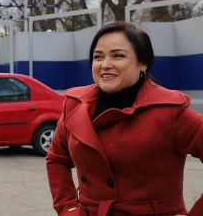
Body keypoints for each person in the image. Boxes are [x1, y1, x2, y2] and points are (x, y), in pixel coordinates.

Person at [46, 22, 203, 215]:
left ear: (143, 62)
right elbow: (57, 159)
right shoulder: (74, 104)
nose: (105, 64)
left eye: (118, 56)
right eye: (98, 57)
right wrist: (68, 208)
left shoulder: (171, 111)